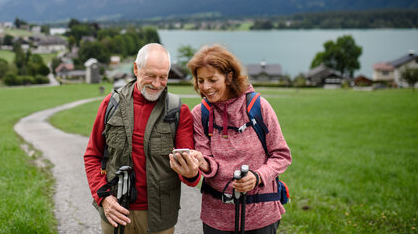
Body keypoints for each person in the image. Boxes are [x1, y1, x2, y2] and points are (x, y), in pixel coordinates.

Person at [84, 43, 201, 234]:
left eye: (163, 77)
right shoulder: (111, 104)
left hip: (159, 217)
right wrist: (103, 197)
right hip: (115, 211)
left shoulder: (179, 111)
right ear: (136, 69)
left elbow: (190, 177)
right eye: (151, 76)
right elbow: (92, 156)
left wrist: (191, 172)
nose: (157, 84)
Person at [185, 44, 291, 234]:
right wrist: (203, 163)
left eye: (212, 79)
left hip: (261, 216)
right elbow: (209, 162)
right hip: (216, 219)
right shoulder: (200, 114)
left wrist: (258, 177)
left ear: (229, 77)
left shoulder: (259, 107)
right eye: (200, 80)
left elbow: (281, 155)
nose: (205, 87)